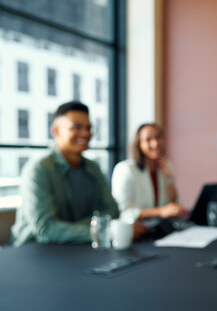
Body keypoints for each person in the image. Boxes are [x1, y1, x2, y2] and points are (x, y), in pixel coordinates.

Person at [11, 101, 119, 246]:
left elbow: (112, 211)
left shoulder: (93, 168)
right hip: (36, 251)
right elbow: (46, 229)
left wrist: (75, 229)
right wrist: (96, 228)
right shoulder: (38, 169)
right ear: (55, 131)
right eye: (76, 127)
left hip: (78, 248)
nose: (86, 133)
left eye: (88, 127)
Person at [111, 123, 188, 238]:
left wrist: (169, 178)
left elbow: (173, 202)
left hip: (161, 230)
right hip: (136, 233)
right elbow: (123, 212)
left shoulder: (165, 166)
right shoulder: (125, 169)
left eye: (158, 137)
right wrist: (160, 211)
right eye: (148, 139)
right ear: (139, 144)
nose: (155, 143)